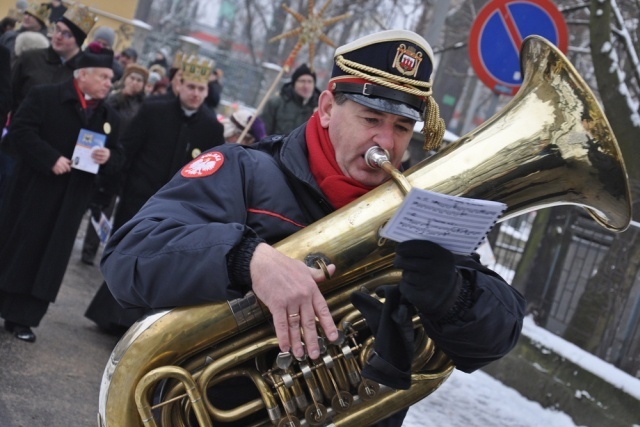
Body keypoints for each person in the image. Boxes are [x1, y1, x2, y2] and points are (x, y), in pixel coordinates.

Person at [100, 30, 526, 426]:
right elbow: (126, 256)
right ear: (326, 109)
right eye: (371, 118)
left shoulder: (417, 212)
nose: (387, 142)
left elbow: (500, 331)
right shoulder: (243, 171)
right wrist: (248, 259)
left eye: (401, 127)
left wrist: (452, 296)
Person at [85, 55, 226, 333]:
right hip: (140, 197)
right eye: (191, 87)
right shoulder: (153, 110)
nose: (196, 94)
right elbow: (128, 148)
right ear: (179, 86)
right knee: (129, 256)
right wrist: (112, 178)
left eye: (201, 89)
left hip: (180, 206)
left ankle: (136, 326)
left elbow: (213, 169)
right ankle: (110, 315)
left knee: (158, 264)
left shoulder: (212, 127)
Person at [0, 43, 122, 343]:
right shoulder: (46, 97)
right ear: (82, 75)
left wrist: (108, 158)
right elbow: (21, 131)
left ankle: (23, 319)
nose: (109, 83)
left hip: (71, 200)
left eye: (111, 78)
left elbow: (120, 155)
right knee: (18, 249)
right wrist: (49, 158)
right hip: (33, 192)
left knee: (48, 260)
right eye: (104, 76)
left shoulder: (109, 115)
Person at [80, 63, 149, 266]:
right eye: (132, 78)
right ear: (125, 79)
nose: (135, 83)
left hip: (129, 163)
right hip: (107, 157)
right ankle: (88, 250)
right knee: (101, 205)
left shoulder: (145, 106)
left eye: (139, 80)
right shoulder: (113, 99)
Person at [259, 62, 320, 135]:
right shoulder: (276, 103)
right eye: (302, 81)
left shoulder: (320, 110)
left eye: (310, 82)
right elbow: (262, 133)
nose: (306, 86)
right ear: (294, 83)